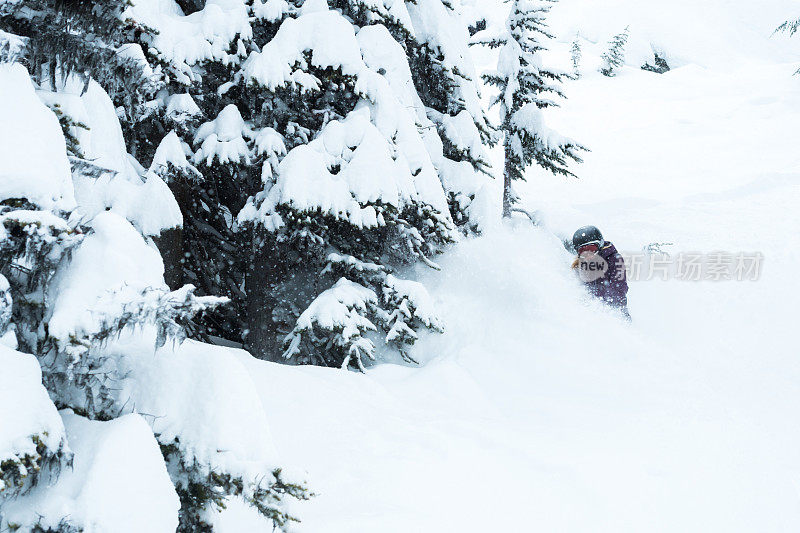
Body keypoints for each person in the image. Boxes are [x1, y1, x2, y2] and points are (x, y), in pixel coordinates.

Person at [571, 225, 630, 319]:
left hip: (615, 314)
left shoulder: (614, 259)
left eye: (591, 249)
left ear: (600, 245)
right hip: (589, 314)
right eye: (583, 251)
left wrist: (599, 304)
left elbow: (619, 289)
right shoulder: (581, 265)